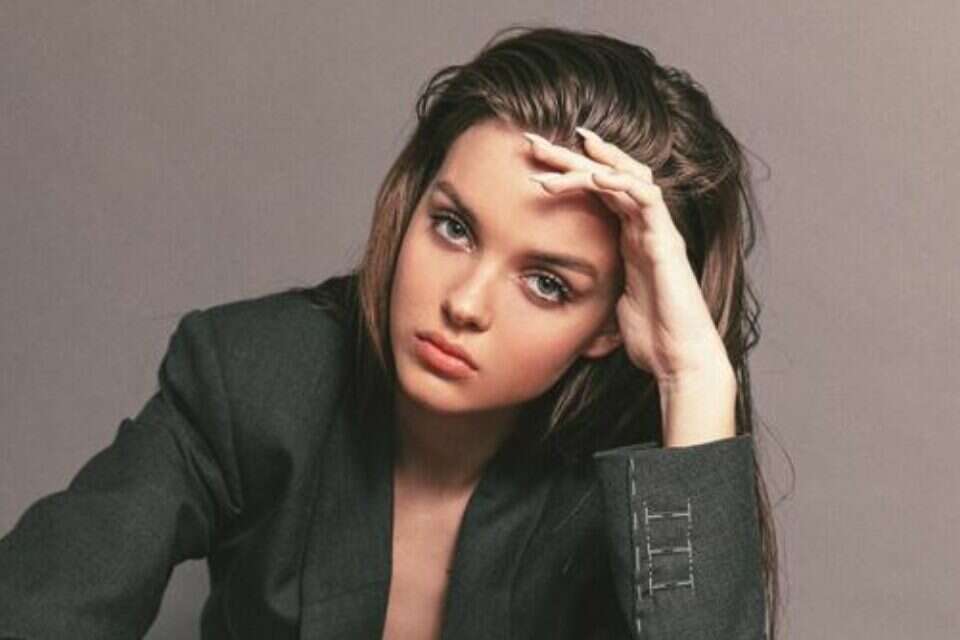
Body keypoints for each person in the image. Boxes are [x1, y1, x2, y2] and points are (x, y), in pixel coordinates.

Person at [0, 25, 779, 639]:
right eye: (454, 228)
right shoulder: (253, 378)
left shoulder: (636, 480)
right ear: (411, 205)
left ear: (610, 325)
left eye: (547, 282)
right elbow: (43, 603)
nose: (465, 303)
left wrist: (694, 380)